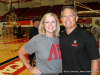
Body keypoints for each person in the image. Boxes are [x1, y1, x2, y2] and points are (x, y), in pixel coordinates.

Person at [59, 6, 99, 75]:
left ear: (76, 18)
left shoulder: (87, 36)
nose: (67, 19)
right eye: (64, 16)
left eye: (70, 16)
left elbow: (95, 60)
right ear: (61, 19)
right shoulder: (61, 37)